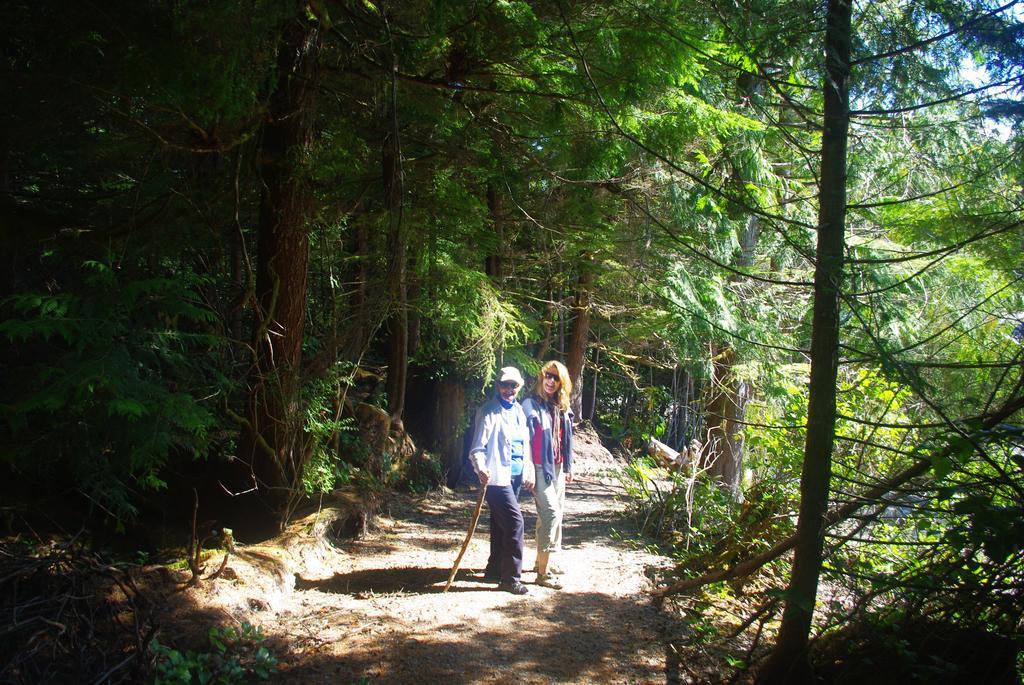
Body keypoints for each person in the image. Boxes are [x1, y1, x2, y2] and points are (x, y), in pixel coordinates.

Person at [469, 366, 534, 594]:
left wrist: (528, 472)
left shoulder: (519, 412)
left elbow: (524, 446)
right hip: (496, 478)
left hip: (514, 476)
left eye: (514, 385)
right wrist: (481, 469)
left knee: (500, 523)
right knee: (516, 522)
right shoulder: (489, 411)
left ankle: (494, 570)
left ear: (520, 387)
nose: (509, 389)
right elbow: (477, 447)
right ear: (498, 386)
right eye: (505, 385)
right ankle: (510, 578)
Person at [522, 360, 574, 590]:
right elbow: (523, 439)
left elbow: (566, 439)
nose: (550, 381)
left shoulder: (561, 407)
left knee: (554, 514)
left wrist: (569, 466)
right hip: (540, 466)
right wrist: (529, 467)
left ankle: (541, 562)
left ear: (562, 383)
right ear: (541, 378)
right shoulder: (530, 404)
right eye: (547, 376)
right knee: (551, 512)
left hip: (558, 467)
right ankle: (543, 575)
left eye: (555, 378)